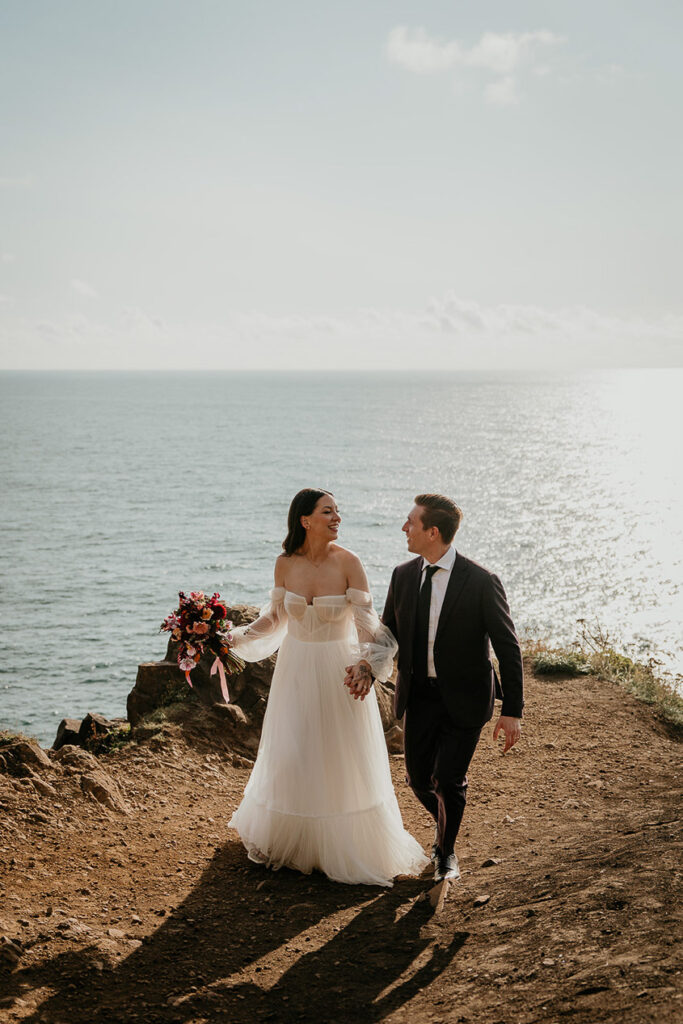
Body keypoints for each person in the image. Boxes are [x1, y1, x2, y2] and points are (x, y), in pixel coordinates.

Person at [228, 488, 428, 887]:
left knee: (340, 751)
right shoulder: (285, 563)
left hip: (339, 668)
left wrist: (367, 665)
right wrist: (235, 636)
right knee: (295, 748)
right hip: (297, 667)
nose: (337, 518)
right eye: (328, 512)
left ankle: (343, 845)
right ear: (305, 520)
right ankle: (300, 843)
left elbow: (368, 623)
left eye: (338, 511)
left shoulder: (349, 562)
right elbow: (275, 617)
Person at [346, 494, 524, 884]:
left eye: (411, 522)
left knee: (448, 780)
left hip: (467, 697)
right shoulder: (403, 575)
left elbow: (508, 647)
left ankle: (446, 851)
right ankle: (447, 821)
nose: (404, 528)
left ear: (433, 532)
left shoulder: (481, 580)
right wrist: (367, 669)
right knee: (417, 778)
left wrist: (512, 710)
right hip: (419, 696)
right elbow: (388, 634)